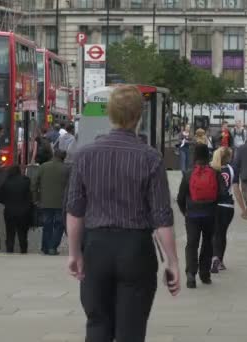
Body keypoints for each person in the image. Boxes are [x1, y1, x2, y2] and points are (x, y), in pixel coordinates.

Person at [66, 85, 180, 341]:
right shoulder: (151, 158)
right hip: (136, 249)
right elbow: (162, 217)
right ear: (139, 115)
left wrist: (74, 253)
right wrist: (172, 262)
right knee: (132, 330)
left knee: (97, 324)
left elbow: (75, 211)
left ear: (110, 114)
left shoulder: (85, 156)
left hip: (96, 246)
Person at [177, 143, 225, 288]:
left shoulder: (188, 173)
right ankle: (205, 274)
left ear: (194, 156)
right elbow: (222, 194)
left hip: (192, 215)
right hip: (210, 213)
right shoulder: (215, 173)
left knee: (192, 244)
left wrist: (184, 211)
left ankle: (191, 275)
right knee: (207, 243)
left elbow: (180, 197)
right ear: (207, 155)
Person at [210, 147, 247, 274]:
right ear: (229, 157)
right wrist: (244, 209)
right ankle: (219, 260)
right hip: (227, 206)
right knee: (222, 233)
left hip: (213, 205)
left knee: (214, 233)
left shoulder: (212, 168)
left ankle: (213, 257)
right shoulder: (232, 170)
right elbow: (236, 190)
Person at [32, 150, 69, 255]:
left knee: (47, 224)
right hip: (61, 203)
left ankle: (45, 247)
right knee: (59, 225)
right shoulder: (66, 169)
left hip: (45, 202)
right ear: (64, 158)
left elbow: (34, 183)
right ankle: (52, 247)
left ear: (54, 155)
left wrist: (36, 198)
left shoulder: (43, 166)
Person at [0, 165, 32, 254]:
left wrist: (6, 201)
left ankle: (10, 251)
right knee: (22, 234)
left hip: (9, 212)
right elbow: (29, 196)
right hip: (24, 212)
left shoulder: (6, 182)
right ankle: (23, 251)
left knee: (10, 233)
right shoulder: (26, 181)